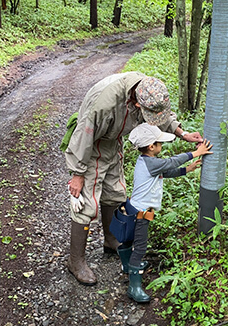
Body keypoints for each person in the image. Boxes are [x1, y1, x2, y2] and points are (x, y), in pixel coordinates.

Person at [64, 71, 203, 286]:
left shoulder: (149, 89)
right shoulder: (104, 105)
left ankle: (111, 240)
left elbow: (161, 115)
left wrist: (181, 133)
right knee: (86, 202)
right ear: (137, 105)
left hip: (113, 141)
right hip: (92, 144)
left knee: (115, 192)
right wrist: (78, 173)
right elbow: (84, 135)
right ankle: (76, 261)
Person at [116, 123, 213, 303]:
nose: (162, 146)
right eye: (160, 143)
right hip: (141, 213)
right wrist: (194, 153)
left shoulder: (146, 162)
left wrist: (187, 169)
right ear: (152, 146)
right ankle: (134, 287)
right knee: (141, 247)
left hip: (134, 208)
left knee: (129, 239)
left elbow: (166, 172)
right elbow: (170, 163)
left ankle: (127, 265)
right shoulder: (152, 163)